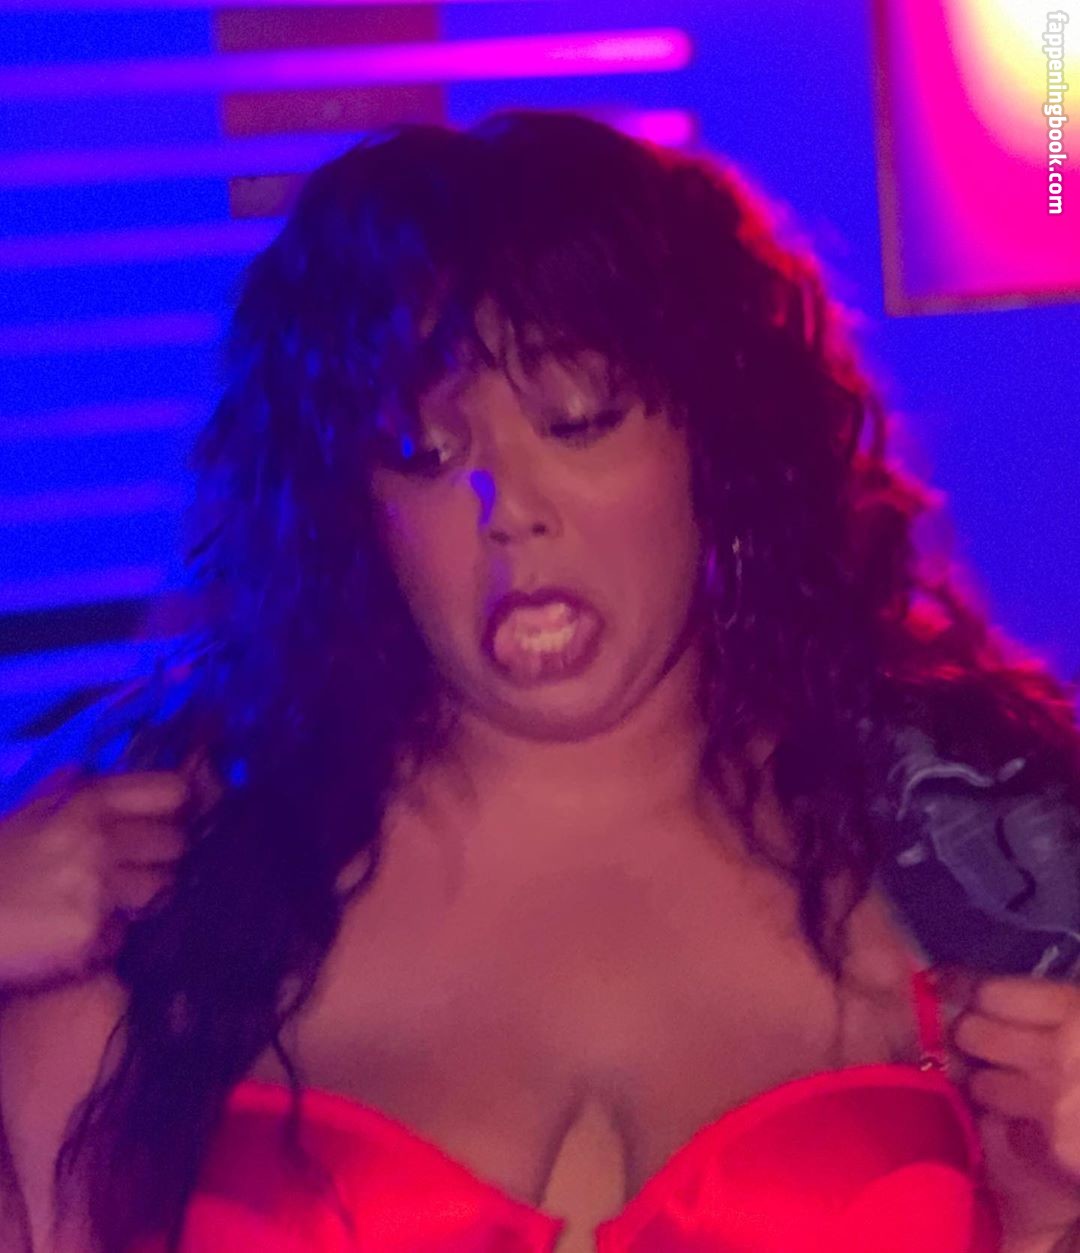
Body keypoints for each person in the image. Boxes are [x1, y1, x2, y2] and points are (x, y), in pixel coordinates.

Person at [1, 108, 1079, 1253]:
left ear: (716, 449)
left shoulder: (979, 859)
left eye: (579, 421)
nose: (507, 506)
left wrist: (1045, 1215)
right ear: (354, 510)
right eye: (425, 453)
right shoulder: (171, 890)